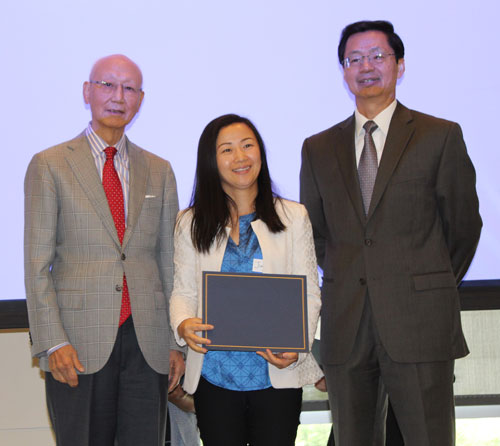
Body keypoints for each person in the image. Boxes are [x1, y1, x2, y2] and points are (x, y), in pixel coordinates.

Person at [300, 20, 482, 446]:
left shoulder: (439, 135)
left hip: (419, 323)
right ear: (343, 71)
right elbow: (316, 235)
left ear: (399, 65)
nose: (366, 66)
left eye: (377, 56)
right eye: (354, 59)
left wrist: (420, 285)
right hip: (347, 327)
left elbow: (463, 228)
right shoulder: (318, 147)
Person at [24, 54, 184, 445]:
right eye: (107, 85)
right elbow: (36, 263)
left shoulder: (159, 170)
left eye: (129, 88)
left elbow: (169, 261)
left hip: (146, 343)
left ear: (140, 99)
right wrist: (53, 341)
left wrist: (172, 342)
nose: (118, 96)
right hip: (77, 342)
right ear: (87, 92)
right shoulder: (50, 164)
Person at [170, 114, 322, 446]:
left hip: (277, 373)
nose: (240, 158)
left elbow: (310, 292)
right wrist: (183, 324)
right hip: (214, 374)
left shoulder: (294, 217)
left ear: (261, 153)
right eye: (227, 150)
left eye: (248, 146)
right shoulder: (190, 222)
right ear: (211, 161)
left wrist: (296, 343)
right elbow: (182, 290)